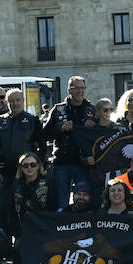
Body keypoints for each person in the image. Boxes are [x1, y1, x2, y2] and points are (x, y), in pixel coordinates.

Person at [44, 76, 95, 207]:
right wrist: (60, 128)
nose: (80, 91)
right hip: (62, 163)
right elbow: (44, 134)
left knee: (84, 200)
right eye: (76, 88)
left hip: (83, 164)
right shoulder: (58, 109)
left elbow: (100, 135)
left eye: (82, 88)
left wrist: (93, 127)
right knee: (62, 202)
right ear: (69, 91)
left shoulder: (92, 110)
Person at [0, 88, 44, 194]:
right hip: (4, 172)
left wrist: (36, 167)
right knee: (5, 206)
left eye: (18, 100)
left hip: (27, 172)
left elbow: (42, 146)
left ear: (23, 100)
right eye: (12, 101)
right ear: (7, 102)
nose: (15, 103)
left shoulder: (33, 120)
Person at [11, 151, 53, 240]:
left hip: (45, 225)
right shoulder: (16, 186)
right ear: (21, 168)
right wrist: (17, 235)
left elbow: (54, 207)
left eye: (32, 165)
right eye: (25, 165)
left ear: (38, 166)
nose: (29, 168)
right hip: (23, 227)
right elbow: (12, 212)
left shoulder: (48, 183)